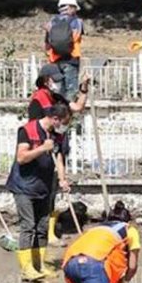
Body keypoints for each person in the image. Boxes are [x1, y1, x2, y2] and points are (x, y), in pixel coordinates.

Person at [5, 102, 72, 283]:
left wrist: (62, 179)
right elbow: (21, 158)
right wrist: (42, 148)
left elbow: (59, 157)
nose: (64, 127)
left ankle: (39, 264)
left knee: (42, 227)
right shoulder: (28, 130)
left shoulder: (55, 134)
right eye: (63, 122)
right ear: (55, 119)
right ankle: (27, 268)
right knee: (28, 226)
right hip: (24, 186)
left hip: (44, 186)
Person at [29, 63, 89, 249]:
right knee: (47, 193)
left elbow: (77, 107)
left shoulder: (55, 97)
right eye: (54, 80)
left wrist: (83, 89)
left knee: (53, 191)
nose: (57, 83)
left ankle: (50, 231)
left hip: (57, 144)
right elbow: (54, 118)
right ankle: (44, 232)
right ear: (46, 81)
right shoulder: (40, 97)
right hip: (43, 146)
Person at [43, 0, 84, 98]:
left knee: (58, 91)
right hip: (71, 59)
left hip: (56, 61)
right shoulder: (78, 22)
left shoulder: (51, 22)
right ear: (71, 7)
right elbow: (76, 37)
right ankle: (69, 112)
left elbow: (47, 44)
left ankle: (59, 111)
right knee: (71, 91)